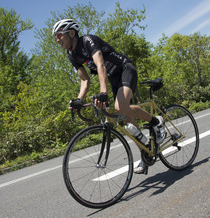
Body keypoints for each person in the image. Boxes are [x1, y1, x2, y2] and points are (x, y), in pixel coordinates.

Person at [52, 19, 165, 174]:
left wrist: (103, 93)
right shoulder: (71, 55)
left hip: (125, 69)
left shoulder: (87, 41)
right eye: (55, 37)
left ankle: (156, 121)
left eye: (59, 35)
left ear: (71, 32)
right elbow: (85, 79)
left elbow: (100, 65)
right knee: (126, 118)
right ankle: (145, 154)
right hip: (113, 79)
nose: (57, 40)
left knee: (121, 106)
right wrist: (79, 100)